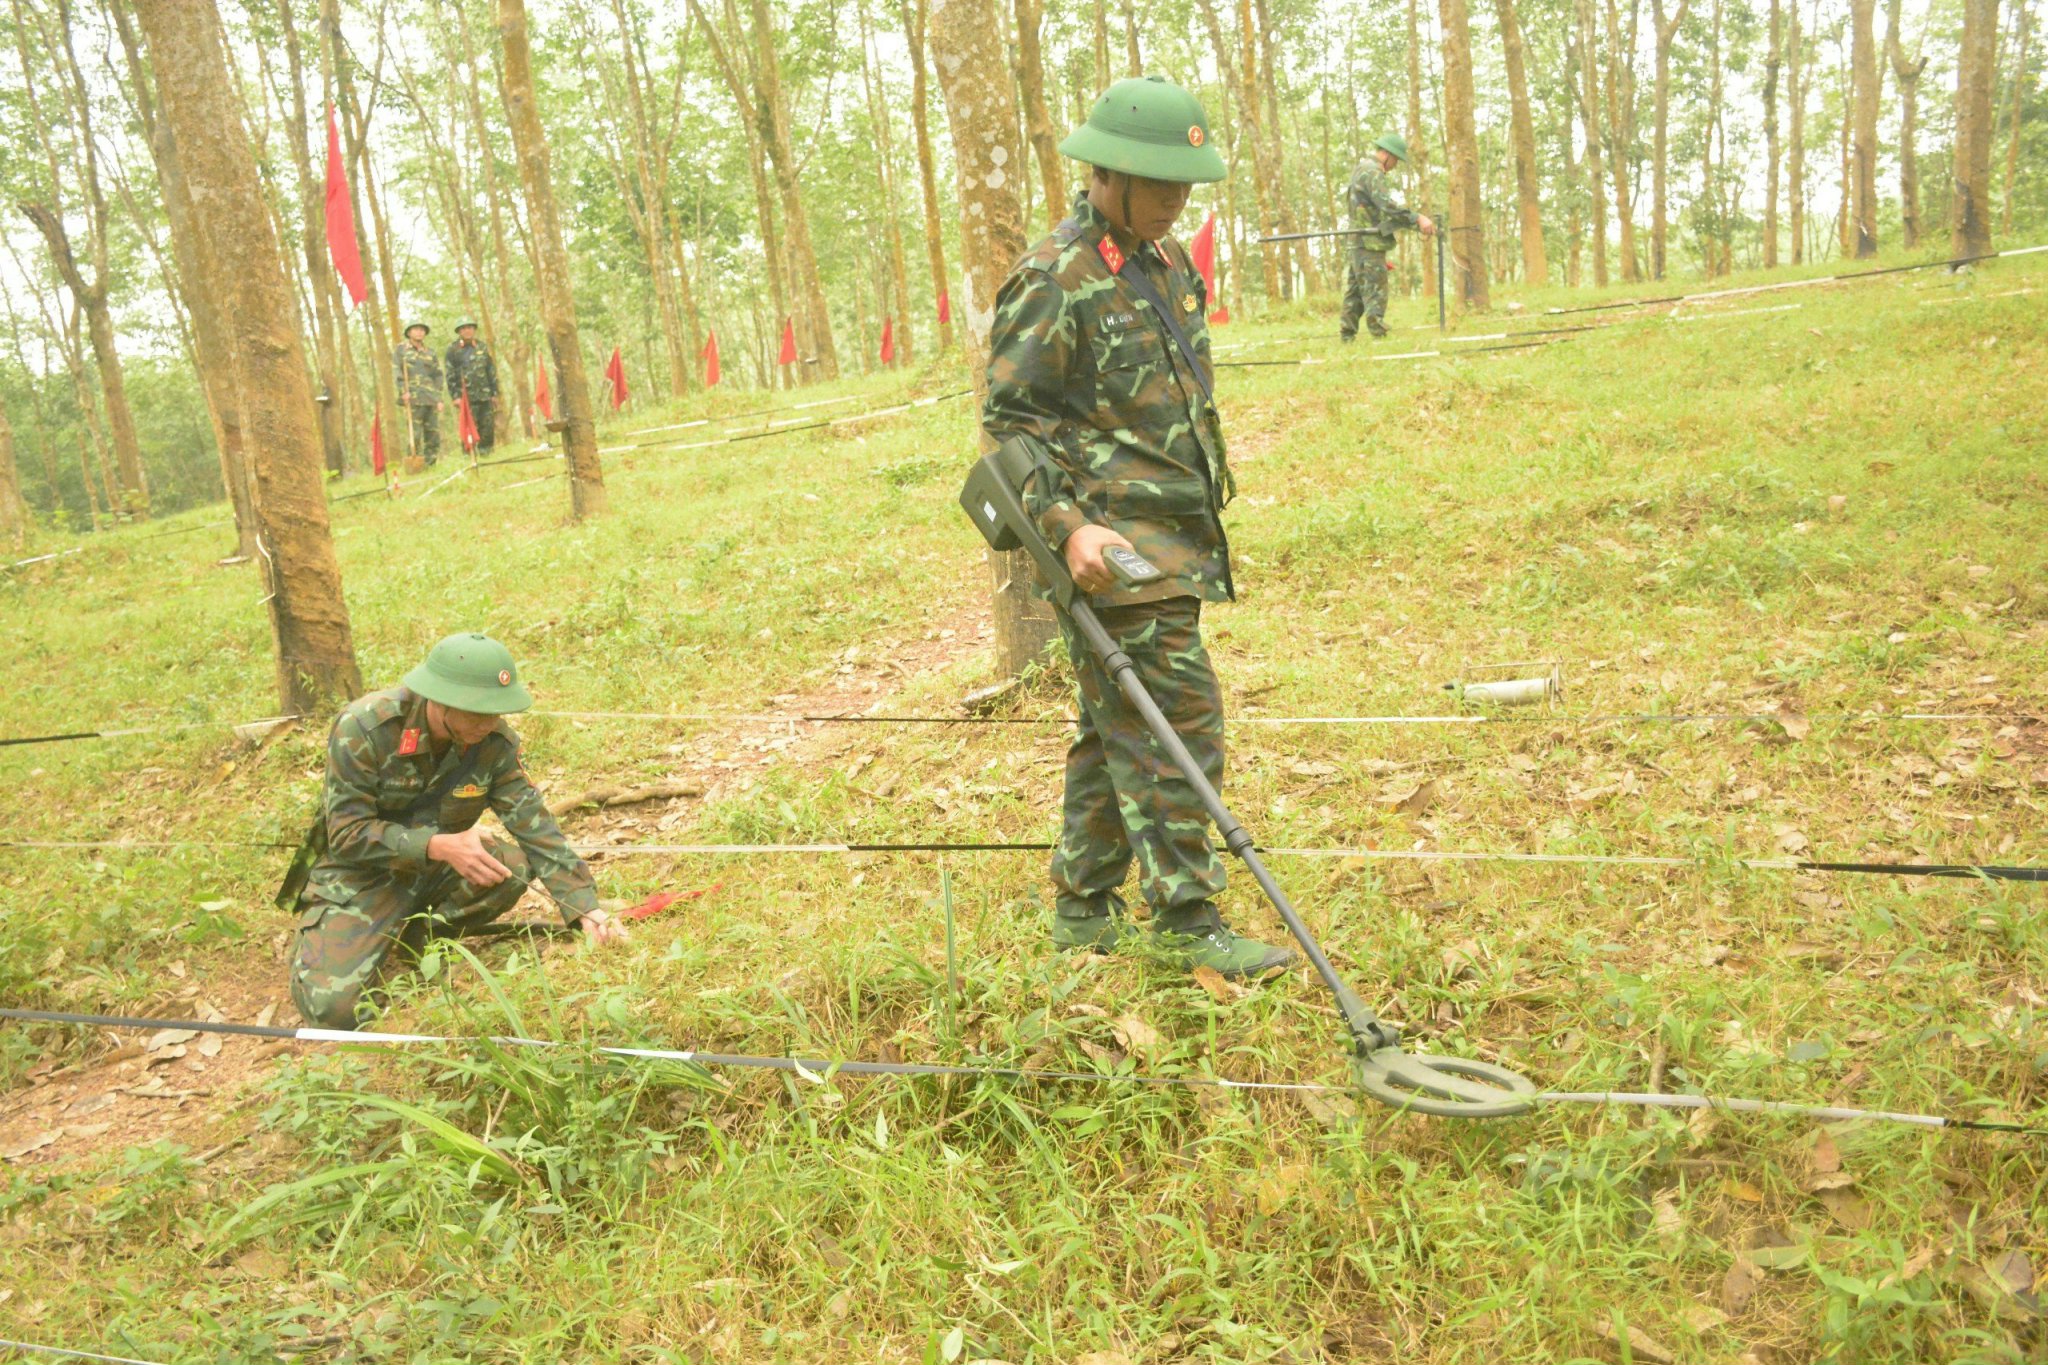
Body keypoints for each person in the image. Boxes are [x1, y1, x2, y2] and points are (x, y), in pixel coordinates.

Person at [982, 75, 1297, 980]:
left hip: (1175, 534)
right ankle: (1186, 919)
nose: (1175, 201)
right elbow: (1014, 422)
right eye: (1159, 184)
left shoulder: (1165, 264)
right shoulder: (1054, 280)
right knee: (1176, 722)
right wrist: (1066, 524)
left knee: (1116, 720)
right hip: (1112, 546)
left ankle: (1084, 905)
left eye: (1185, 186)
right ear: (1106, 175)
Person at [280, 633, 628, 1029]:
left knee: (509, 867)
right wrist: (437, 846)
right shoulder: (365, 728)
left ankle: (418, 936)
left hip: (435, 870)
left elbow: (535, 826)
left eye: (496, 713)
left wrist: (585, 908)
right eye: (477, 713)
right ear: (439, 700)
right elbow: (345, 834)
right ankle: (333, 937)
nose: (488, 724)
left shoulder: (493, 743)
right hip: (359, 875)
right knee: (334, 1011)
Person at [1339, 134, 1435, 342]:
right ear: (1387, 155)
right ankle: (1378, 334)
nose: (1395, 165)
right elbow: (1387, 205)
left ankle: (1347, 337)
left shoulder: (1361, 168)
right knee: (1376, 289)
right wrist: (1416, 218)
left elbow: (1375, 210)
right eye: (1396, 160)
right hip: (1368, 242)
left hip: (1358, 241)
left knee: (1355, 291)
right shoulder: (1373, 172)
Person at [444, 322, 499, 456]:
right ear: (459, 332)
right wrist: (455, 396)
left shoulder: (482, 346)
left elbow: (490, 370)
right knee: (468, 425)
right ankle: (468, 453)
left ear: (474, 330)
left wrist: (494, 393)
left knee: (487, 425)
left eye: (469, 328)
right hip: (466, 396)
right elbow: (450, 374)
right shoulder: (453, 349)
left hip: (485, 393)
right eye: (463, 329)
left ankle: (487, 452)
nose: (467, 331)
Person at [394, 323, 445, 465]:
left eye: (422, 330)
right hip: (413, 398)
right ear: (409, 333)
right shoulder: (402, 350)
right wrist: (403, 391)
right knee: (414, 434)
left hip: (430, 398)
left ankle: (431, 463)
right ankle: (415, 463)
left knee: (433, 434)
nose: (419, 332)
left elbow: (438, 376)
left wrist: (439, 398)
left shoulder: (430, 352)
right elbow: (397, 371)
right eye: (416, 330)